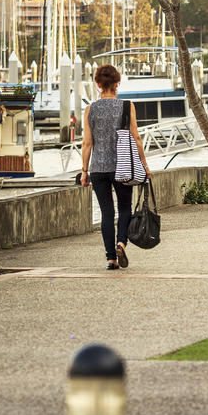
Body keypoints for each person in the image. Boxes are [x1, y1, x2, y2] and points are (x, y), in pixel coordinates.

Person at [80, 64, 151, 270]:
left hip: (99, 169)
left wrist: (84, 171)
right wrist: (145, 165)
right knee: (124, 208)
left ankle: (111, 259)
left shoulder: (90, 109)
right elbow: (136, 137)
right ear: (117, 83)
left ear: (98, 84)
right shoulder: (127, 106)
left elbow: (87, 143)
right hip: (123, 167)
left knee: (106, 213)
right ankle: (121, 242)